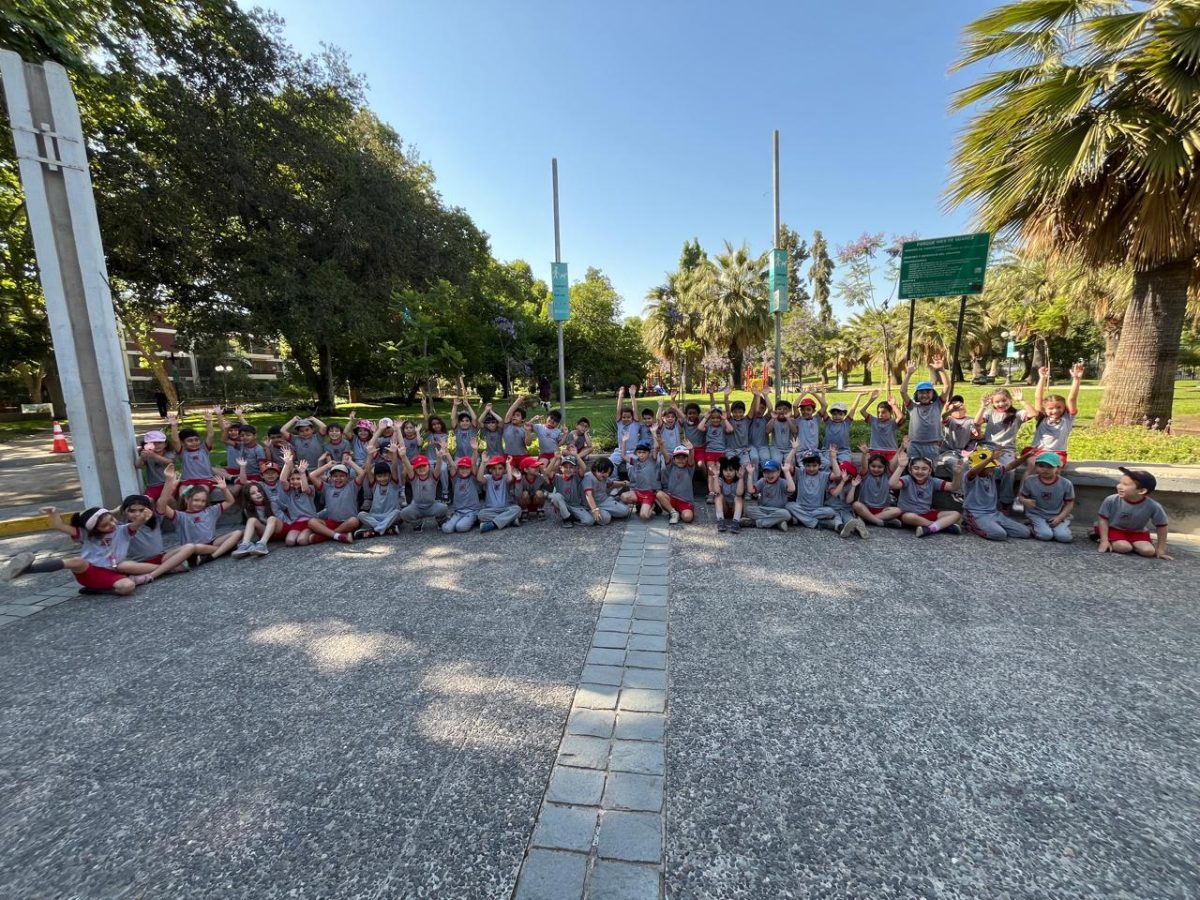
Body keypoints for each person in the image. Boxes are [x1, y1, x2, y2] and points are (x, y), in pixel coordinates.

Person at [5, 505, 193, 592]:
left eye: (111, 520)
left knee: (127, 587)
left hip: (113, 572)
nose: (111, 525)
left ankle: (102, 589)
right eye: (105, 525)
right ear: (94, 529)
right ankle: (27, 569)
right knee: (77, 561)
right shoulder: (86, 534)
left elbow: (138, 522)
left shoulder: (123, 531)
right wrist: (53, 513)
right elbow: (60, 526)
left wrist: (144, 514)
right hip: (90, 571)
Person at [157, 468, 242, 561]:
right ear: (187, 499)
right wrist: (171, 485)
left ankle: (212, 556)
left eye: (203, 501)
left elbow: (230, 501)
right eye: (196, 500)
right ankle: (225, 549)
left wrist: (224, 489)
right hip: (194, 548)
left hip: (212, 543)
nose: (200, 503)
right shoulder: (180, 516)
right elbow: (161, 506)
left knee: (237, 533)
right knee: (196, 547)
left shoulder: (210, 511)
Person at [975, 387, 1036, 509]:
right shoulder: (990, 413)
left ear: (1010, 400)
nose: (1001, 404)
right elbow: (977, 422)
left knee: (1009, 471)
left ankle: (1005, 502)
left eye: (1004, 400)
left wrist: (1022, 400)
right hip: (987, 447)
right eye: (997, 402)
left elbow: (1033, 414)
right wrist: (983, 407)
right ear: (993, 403)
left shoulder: (1017, 414)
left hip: (1006, 450)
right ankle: (979, 498)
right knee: (974, 464)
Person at [1094, 467, 1171, 559]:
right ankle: (1111, 540)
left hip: (1137, 532)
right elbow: (1103, 519)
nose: (1119, 486)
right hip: (1114, 529)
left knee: (1148, 551)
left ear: (1141, 491)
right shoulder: (1111, 500)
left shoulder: (1153, 506)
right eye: (1120, 482)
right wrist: (1104, 541)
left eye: (1125, 484)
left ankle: (1131, 543)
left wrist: (1161, 548)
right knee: (1124, 547)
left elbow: (1162, 525)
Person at [888, 441, 962, 537]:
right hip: (908, 515)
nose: (920, 471)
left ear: (929, 471)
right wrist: (901, 466)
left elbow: (954, 487)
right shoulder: (907, 479)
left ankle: (929, 528)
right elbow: (892, 484)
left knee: (955, 514)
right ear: (910, 470)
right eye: (916, 468)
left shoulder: (932, 481)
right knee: (908, 517)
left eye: (924, 469)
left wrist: (957, 474)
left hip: (925, 513)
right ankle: (940, 526)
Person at [960, 447, 1032, 541]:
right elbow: (973, 472)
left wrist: (1027, 455)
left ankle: (991, 526)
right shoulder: (970, 476)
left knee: (1025, 532)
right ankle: (969, 524)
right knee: (999, 534)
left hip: (994, 513)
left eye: (993, 466)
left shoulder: (992, 473)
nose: (993, 468)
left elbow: (1010, 466)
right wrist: (990, 459)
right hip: (976, 514)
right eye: (989, 467)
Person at [1028, 363, 1084, 464]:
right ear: (1044, 409)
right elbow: (1038, 398)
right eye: (1051, 408)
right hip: (1038, 451)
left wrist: (1076, 379)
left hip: (1057, 453)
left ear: (1064, 407)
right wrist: (1042, 378)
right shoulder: (1042, 417)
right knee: (1034, 465)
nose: (1055, 411)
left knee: (1052, 468)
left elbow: (1072, 399)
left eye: (1059, 407)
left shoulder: (1067, 418)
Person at [900, 357, 951, 461]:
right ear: (917, 395)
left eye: (928, 392)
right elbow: (902, 391)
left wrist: (941, 370)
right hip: (914, 445)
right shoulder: (912, 407)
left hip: (932, 445)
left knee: (931, 468)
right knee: (913, 467)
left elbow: (947, 387)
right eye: (921, 392)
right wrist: (908, 374)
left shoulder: (938, 405)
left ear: (933, 394)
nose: (924, 395)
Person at [305, 454, 365, 544]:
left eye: (342, 476)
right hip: (331, 522)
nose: (338, 478)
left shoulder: (352, 486)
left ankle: (327, 535)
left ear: (347, 477)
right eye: (335, 476)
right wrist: (327, 465)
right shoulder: (327, 488)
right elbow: (312, 475)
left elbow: (362, 473)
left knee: (354, 521)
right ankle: (339, 536)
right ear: (331, 478)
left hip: (347, 522)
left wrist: (350, 462)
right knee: (311, 522)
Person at [1020, 452, 1076, 543]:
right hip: (1037, 514)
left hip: (1057, 514)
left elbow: (1069, 503)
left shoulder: (1066, 484)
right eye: (1041, 466)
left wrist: (1060, 518)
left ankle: (1060, 527)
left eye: (1050, 467)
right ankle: (1032, 526)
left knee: (1064, 537)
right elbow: (1021, 497)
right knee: (1045, 535)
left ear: (1058, 468)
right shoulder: (1030, 481)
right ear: (1036, 466)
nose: (1045, 469)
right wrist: (1025, 501)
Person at [168, 408, 219, 498]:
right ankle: (185, 507)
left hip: (205, 480)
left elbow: (210, 435)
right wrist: (174, 426)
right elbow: (175, 440)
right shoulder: (182, 452)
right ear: (182, 443)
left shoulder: (204, 449)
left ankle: (203, 507)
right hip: (188, 481)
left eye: (196, 440)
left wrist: (208, 421)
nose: (194, 443)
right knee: (182, 495)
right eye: (190, 441)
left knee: (202, 493)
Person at [785, 449, 841, 532]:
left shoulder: (824, 475)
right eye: (808, 465)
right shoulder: (799, 472)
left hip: (817, 510)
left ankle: (799, 519)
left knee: (830, 512)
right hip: (800, 507)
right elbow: (787, 464)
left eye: (814, 465)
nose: (811, 468)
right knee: (789, 505)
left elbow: (837, 475)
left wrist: (833, 458)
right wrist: (793, 450)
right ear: (803, 465)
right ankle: (815, 523)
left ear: (819, 465)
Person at [356, 450, 404, 538]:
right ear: (375, 477)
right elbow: (368, 469)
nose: (383, 478)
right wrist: (370, 454)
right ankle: (385, 528)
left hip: (390, 515)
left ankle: (376, 530)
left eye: (385, 475)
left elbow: (394, 466)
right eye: (379, 476)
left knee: (397, 512)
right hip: (375, 516)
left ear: (390, 475)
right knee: (360, 515)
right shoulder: (374, 485)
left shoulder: (394, 484)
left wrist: (394, 453)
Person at [397, 451, 448, 532]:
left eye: (424, 465)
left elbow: (438, 468)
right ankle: (418, 523)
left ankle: (440, 520)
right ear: (415, 469)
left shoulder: (433, 477)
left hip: (431, 506)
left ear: (428, 466)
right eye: (418, 467)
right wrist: (403, 456)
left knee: (444, 508)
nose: (421, 468)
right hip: (417, 507)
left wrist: (439, 457)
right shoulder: (414, 478)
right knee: (403, 513)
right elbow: (408, 466)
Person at [851, 452, 903, 528]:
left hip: (882, 510)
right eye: (873, 466)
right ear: (869, 466)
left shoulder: (887, 475)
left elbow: (893, 463)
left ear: (885, 467)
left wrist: (901, 448)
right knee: (856, 505)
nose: (876, 469)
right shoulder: (866, 474)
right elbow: (864, 466)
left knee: (898, 511)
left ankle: (867, 519)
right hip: (866, 508)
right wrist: (864, 454)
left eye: (880, 467)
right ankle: (880, 522)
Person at [701, 390, 735, 504]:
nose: (715, 420)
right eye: (713, 418)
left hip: (721, 452)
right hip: (710, 452)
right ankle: (711, 492)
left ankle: (718, 491)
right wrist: (705, 418)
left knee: (719, 472)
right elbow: (700, 427)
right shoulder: (708, 427)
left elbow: (730, 429)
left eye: (717, 418)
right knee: (711, 472)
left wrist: (725, 419)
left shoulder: (722, 427)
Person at [231, 480, 280, 557]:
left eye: (259, 491)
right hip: (265, 533)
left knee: (271, 518)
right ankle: (246, 544)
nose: (258, 494)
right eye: (253, 493)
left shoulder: (272, 503)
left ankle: (262, 544)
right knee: (251, 520)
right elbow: (253, 527)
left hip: (279, 529)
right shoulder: (248, 509)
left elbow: (280, 519)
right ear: (248, 497)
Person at [747, 455, 794, 532]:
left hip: (778, 510)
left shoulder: (782, 482)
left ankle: (756, 523)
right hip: (763, 509)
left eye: (772, 471)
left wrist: (786, 472)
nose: (769, 474)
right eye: (766, 472)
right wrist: (750, 474)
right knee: (748, 509)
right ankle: (777, 522)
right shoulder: (762, 481)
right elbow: (751, 490)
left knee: (786, 514)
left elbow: (792, 489)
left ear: (778, 472)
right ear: (763, 473)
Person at [546, 451, 592, 527]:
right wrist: (555, 458)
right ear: (561, 468)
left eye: (571, 467)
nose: (568, 469)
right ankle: (567, 519)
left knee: (589, 521)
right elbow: (547, 472)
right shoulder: (557, 478)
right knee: (556, 496)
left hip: (576, 506)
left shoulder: (576, 477)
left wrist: (576, 455)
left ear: (575, 469)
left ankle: (573, 518)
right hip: (564, 506)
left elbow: (584, 468)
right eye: (565, 467)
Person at [656, 440, 697, 526]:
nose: (681, 460)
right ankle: (673, 512)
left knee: (687, 518)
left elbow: (691, 460)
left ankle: (679, 512)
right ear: (674, 459)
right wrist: (661, 445)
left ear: (687, 459)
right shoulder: (671, 467)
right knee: (659, 494)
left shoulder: (689, 469)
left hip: (685, 501)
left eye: (683, 458)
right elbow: (666, 456)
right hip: (672, 499)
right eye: (678, 458)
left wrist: (691, 450)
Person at [477, 455, 522, 532]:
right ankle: (510, 521)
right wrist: (483, 463)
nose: (497, 471)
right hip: (491, 510)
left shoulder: (505, 477)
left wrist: (508, 464)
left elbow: (510, 479)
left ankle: (492, 524)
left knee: (518, 509)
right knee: (481, 515)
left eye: (500, 468)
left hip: (506, 509)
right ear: (490, 470)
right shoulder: (488, 478)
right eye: (494, 468)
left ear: (504, 470)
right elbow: (479, 479)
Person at [621, 439, 663, 521]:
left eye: (644, 452)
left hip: (649, 494)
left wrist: (654, 434)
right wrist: (624, 441)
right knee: (623, 496)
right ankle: (640, 504)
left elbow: (656, 447)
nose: (641, 455)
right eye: (639, 452)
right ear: (636, 453)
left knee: (644, 516)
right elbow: (623, 456)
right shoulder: (635, 461)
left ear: (649, 453)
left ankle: (654, 505)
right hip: (638, 492)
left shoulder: (652, 460)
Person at [861, 390, 903, 467]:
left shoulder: (893, 423)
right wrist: (871, 400)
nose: (880, 414)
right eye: (878, 412)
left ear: (890, 413)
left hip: (891, 451)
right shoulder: (873, 420)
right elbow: (862, 411)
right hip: (875, 450)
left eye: (883, 412)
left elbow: (900, 417)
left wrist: (893, 405)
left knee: (890, 470)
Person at [583, 458, 630, 526]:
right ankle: (591, 512)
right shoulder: (588, 477)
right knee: (605, 518)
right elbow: (588, 495)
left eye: (608, 473)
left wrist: (623, 483)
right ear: (596, 469)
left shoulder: (604, 477)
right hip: (592, 505)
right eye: (604, 472)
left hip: (605, 501)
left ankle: (613, 505)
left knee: (625, 511)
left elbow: (611, 484)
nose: (606, 475)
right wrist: (594, 509)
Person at [442, 456, 482, 533]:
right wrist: (447, 454)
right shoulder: (455, 478)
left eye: (467, 468)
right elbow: (452, 466)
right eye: (462, 468)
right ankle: (449, 520)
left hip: (471, 511)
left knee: (460, 527)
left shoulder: (473, 478)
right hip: (458, 511)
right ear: (458, 469)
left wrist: (475, 451)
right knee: (447, 529)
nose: (464, 470)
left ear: (470, 469)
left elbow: (474, 464)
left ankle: (474, 519)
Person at [135, 429, 175, 502]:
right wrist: (141, 458)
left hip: (168, 484)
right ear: (146, 445)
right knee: (147, 501)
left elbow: (169, 462)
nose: (157, 445)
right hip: (153, 486)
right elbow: (138, 466)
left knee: (170, 499)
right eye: (153, 443)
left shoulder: (168, 453)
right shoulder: (147, 454)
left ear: (165, 444)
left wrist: (154, 456)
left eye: (160, 442)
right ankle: (153, 509)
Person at [611, 386, 642, 475]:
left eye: (628, 417)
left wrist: (632, 396)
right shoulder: (620, 423)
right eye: (624, 417)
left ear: (632, 417)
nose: (626, 419)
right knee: (610, 463)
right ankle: (614, 481)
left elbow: (635, 409)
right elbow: (618, 409)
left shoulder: (635, 424)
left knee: (633, 466)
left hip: (633, 452)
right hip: (619, 451)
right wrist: (620, 395)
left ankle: (634, 482)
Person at [821, 398, 859, 468]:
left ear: (845, 415)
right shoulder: (828, 422)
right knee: (827, 464)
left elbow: (853, 409)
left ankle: (842, 475)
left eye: (840, 414)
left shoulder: (846, 423)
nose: (837, 416)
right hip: (828, 450)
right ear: (831, 414)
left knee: (846, 464)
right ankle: (829, 474)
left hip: (843, 451)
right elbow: (823, 407)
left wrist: (859, 396)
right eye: (834, 414)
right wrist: (823, 395)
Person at [713, 455, 744, 533]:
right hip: (725, 509)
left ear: (736, 471)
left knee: (738, 497)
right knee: (718, 496)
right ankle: (720, 520)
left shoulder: (738, 480)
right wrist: (716, 477)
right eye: (725, 470)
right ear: (722, 471)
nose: (728, 473)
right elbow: (716, 491)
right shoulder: (721, 479)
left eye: (731, 470)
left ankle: (736, 522)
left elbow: (739, 493)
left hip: (735, 509)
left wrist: (741, 478)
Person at [501, 396, 533, 468]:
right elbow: (509, 413)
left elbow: (528, 444)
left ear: (523, 419)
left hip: (522, 456)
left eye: (517, 415)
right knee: (511, 472)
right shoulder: (507, 425)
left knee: (528, 470)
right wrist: (519, 400)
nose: (514, 416)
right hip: (509, 457)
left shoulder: (525, 429)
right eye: (513, 415)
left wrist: (528, 431)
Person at [450, 395, 480, 463]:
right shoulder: (457, 429)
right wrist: (455, 405)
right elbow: (452, 418)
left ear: (470, 422)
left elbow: (474, 418)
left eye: (467, 421)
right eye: (462, 421)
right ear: (459, 423)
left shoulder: (473, 429)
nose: (464, 423)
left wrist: (468, 405)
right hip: (459, 457)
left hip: (473, 457)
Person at [769, 398, 797, 465]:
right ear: (776, 410)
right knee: (776, 462)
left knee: (791, 463)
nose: (782, 411)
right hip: (776, 449)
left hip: (789, 448)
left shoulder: (792, 421)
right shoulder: (773, 420)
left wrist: (788, 418)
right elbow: (767, 431)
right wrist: (773, 418)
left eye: (785, 409)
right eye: (779, 409)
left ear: (790, 411)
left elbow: (794, 431)